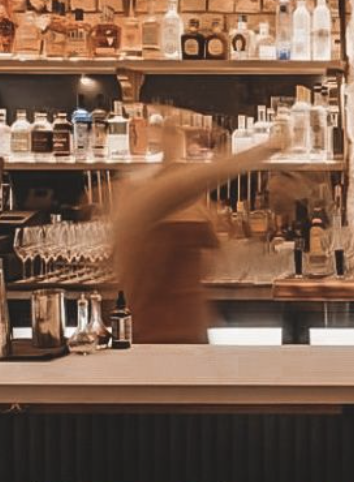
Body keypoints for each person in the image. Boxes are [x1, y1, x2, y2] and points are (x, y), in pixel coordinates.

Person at [112, 135, 284, 344]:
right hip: (156, 341)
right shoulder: (143, 204)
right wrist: (264, 149)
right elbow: (200, 178)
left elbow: (208, 264)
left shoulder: (186, 202)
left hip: (192, 334)